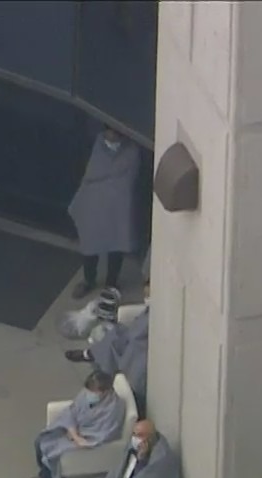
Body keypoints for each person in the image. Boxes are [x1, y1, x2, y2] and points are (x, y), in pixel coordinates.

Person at [27, 371, 127, 478]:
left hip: (87, 440)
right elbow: (72, 411)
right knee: (40, 440)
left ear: (106, 391)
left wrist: (77, 437)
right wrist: (72, 431)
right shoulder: (87, 394)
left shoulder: (114, 408)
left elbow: (104, 432)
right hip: (74, 430)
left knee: (51, 450)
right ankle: (45, 476)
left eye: (94, 391)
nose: (89, 394)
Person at [67, 126, 141, 298]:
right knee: (91, 245)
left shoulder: (132, 151)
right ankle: (88, 280)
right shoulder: (96, 146)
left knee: (116, 246)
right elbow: (91, 174)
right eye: (109, 132)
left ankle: (111, 283)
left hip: (119, 208)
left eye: (115, 132)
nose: (112, 136)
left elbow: (129, 180)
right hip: (96, 207)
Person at [68, 291, 151, 417]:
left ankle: (103, 376)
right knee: (115, 334)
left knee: (123, 351)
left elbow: (137, 334)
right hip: (135, 338)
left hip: (142, 349)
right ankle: (91, 355)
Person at [79, 418, 183, 478]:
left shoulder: (161, 460)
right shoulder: (133, 448)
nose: (135, 438)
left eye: (140, 435)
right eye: (134, 434)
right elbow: (121, 470)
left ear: (150, 438)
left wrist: (141, 461)